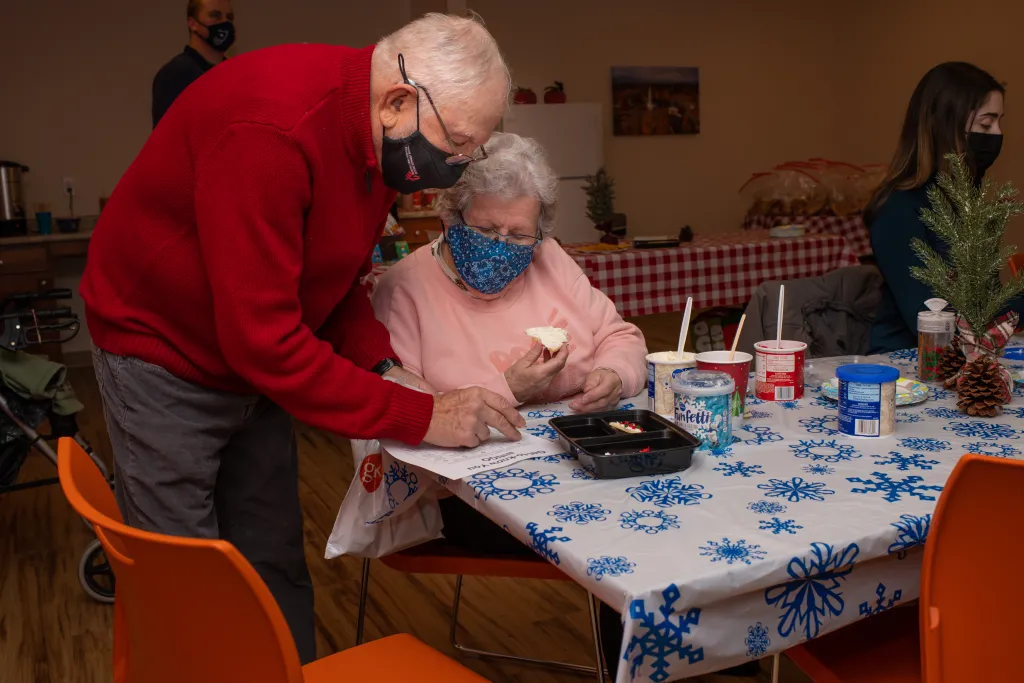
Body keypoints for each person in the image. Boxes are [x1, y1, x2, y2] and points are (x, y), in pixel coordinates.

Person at [81, 13, 520, 663]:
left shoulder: (380, 138)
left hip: (248, 352)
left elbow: (330, 278)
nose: (451, 169)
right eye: (453, 145)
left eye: (467, 153)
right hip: (160, 347)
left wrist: (382, 364)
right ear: (399, 99)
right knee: (187, 576)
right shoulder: (271, 130)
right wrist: (422, 414)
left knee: (272, 555)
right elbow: (264, 343)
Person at [370, 132, 756, 678]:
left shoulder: (549, 260)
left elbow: (621, 334)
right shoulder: (404, 288)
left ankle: (721, 660)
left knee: (695, 499)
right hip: (467, 496)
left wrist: (613, 375)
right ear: (451, 217)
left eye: (518, 235)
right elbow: (406, 412)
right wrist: (509, 390)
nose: (502, 245)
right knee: (633, 532)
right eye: (485, 230)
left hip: (591, 457)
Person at [867, 61, 1024, 353]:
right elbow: (931, 320)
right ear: (945, 125)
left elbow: (983, 299)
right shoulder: (899, 208)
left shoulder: (967, 203)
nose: (997, 134)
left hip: (967, 357)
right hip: (905, 367)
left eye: (1000, 122)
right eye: (986, 124)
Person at [152, 0, 236, 128]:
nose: (224, 23)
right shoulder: (176, 75)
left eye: (229, 17)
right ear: (193, 24)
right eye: (215, 15)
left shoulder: (236, 74)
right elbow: (167, 141)